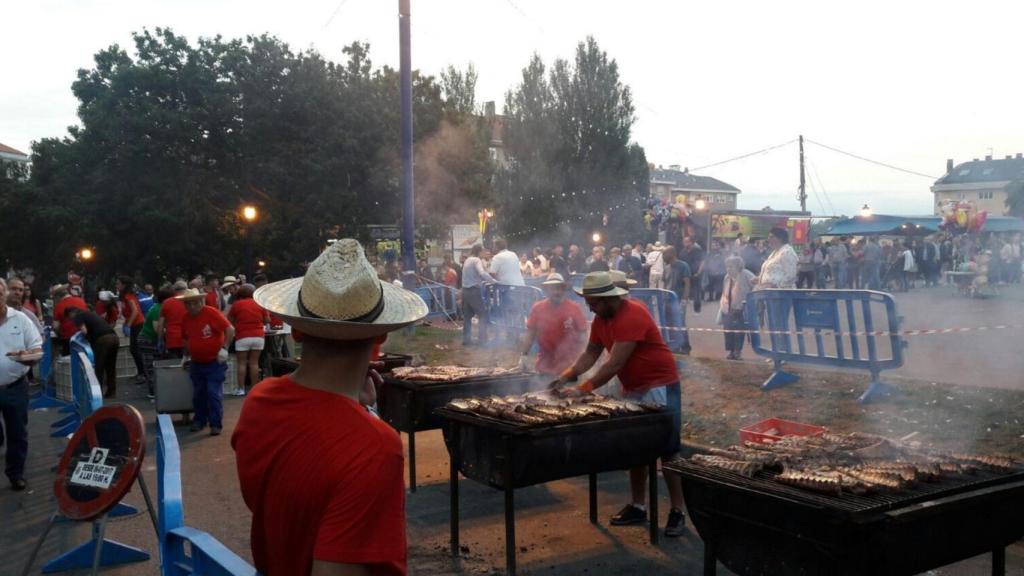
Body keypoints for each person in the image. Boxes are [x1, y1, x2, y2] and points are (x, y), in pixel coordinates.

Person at [233, 238, 427, 575]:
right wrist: (364, 421)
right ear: (380, 337)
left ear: (295, 332)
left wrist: (359, 410)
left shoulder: (259, 401)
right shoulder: (375, 448)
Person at [548, 271, 686, 537]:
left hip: (660, 387)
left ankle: (678, 511)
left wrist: (584, 389)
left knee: (668, 450)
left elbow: (615, 364)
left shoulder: (633, 314)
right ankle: (638, 506)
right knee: (637, 448)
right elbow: (591, 353)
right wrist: (566, 376)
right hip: (633, 388)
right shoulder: (601, 319)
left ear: (609, 299)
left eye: (594, 302)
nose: (589, 307)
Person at [0, 279, 43, 491]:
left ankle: (16, 473)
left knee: (17, 433)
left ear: (4, 294)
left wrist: (26, 356)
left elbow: (37, 350)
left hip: (15, 386)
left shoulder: (21, 319)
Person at [180, 288, 235, 436]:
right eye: (188, 304)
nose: (192, 306)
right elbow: (186, 338)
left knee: (213, 393)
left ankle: (215, 423)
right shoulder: (185, 318)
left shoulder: (211, 313)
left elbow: (230, 329)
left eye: (195, 303)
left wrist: (225, 348)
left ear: (201, 302)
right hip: (197, 362)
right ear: (184, 305)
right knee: (199, 394)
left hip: (214, 362)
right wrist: (185, 356)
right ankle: (199, 421)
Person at [518, 274, 588, 378]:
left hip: (569, 366)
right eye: (553, 288)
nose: (556, 292)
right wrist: (524, 355)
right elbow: (530, 333)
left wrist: (581, 359)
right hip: (545, 364)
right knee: (541, 392)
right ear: (546, 290)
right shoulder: (538, 308)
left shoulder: (574, 308)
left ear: (564, 290)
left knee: (569, 393)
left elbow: (583, 335)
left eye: (559, 288)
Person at [227, 284, 269, 397]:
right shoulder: (259, 303)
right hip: (258, 336)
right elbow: (267, 320)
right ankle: (254, 388)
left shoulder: (237, 304)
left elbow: (229, 321)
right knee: (254, 363)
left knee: (241, 363)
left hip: (242, 336)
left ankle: (241, 389)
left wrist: (238, 323)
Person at [68, 308, 120, 398]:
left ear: (71, 313)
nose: (71, 320)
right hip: (114, 337)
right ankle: (111, 392)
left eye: (69, 318)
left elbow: (84, 331)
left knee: (99, 367)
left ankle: (97, 393)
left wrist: (87, 339)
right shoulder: (90, 314)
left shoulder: (78, 317)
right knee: (110, 367)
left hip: (102, 340)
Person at [139, 286, 173, 398]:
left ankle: (158, 390)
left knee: (156, 364)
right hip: (148, 340)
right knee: (151, 365)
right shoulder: (158, 309)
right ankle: (154, 392)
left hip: (150, 339)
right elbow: (157, 328)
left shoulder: (160, 307)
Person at [720, 255, 756, 360]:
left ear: (738, 266)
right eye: (727, 266)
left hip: (742, 309)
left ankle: (737, 351)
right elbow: (724, 292)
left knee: (739, 331)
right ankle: (731, 351)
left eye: (731, 266)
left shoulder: (747, 275)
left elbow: (757, 286)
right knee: (728, 330)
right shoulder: (726, 277)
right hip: (728, 308)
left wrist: (751, 301)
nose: (728, 269)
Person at [461, 244, 496, 346]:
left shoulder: (467, 260)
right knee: (483, 314)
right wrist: (493, 281)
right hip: (473, 290)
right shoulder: (476, 260)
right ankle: (482, 340)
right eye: (483, 251)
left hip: (466, 291)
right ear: (479, 252)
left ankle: (466, 340)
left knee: (467, 316)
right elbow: (482, 273)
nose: (484, 253)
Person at [662, 246, 692, 354]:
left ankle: (685, 347)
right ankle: (674, 346)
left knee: (680, 323)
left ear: (671, 254)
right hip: (667, 300)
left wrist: (684, 301)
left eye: (664, 254)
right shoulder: (666, 268)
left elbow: (687, 284)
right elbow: (664, 284)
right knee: (669, 323)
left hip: (678, 300)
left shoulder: (683, 266)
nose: (663, 257)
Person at [117, 276, 147, 383]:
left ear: (124, 285)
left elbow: (135, 311)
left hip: (137, 324)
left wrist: (128, 325)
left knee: (135, 349)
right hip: (135, 324)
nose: (117, 285)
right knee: (134, 349)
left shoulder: (128, 296)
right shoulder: (125, 296)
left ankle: (143, 373)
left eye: (118, 283)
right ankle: (141, 372)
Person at [51, 285, 88, 355]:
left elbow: (56, 327)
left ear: (57, 296)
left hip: (68, 339)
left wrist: (58, 335)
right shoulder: (81, 301)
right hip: (83, 337)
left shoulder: (59, 306)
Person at [159, 281, 189, 358]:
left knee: (175, 367)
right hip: (187, 339)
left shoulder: (166, 303)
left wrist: (160, 339)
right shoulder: (190, 302)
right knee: (188, 365)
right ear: (186, 289)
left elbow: (161, 324)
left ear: (174, 290)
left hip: (172, 340)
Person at [681, 237, 705, 313]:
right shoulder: (683, 252)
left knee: (696, 293)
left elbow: (702, 262)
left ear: (691, 242)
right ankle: (683, 310)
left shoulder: (697, 251)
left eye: (687, 242)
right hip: (685, 276)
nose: (685, 243)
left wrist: (698, 273)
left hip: (695, 275)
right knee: (684, 292)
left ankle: (697, 310)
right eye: (684, 242)